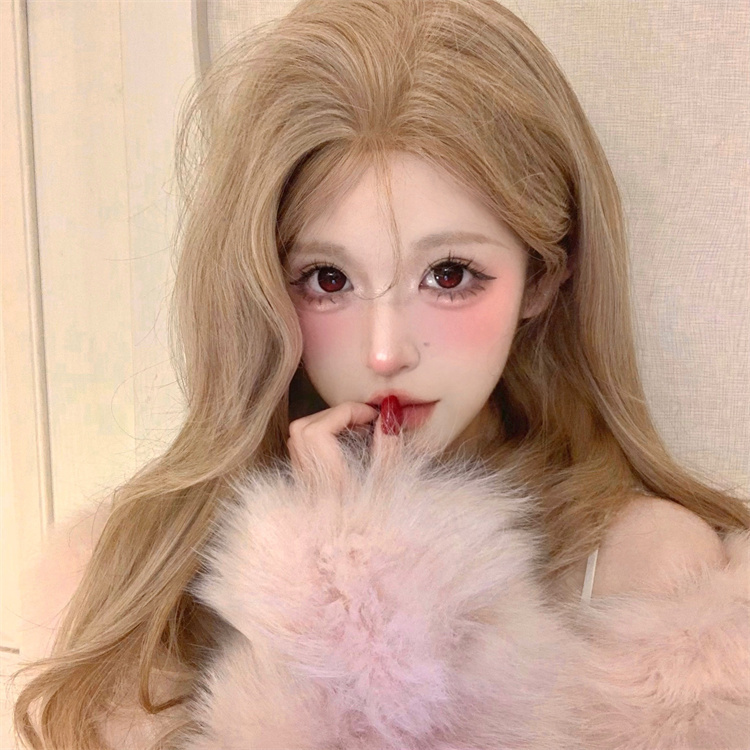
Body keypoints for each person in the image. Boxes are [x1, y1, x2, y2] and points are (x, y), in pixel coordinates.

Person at [12, 0, 750, 747]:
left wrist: (356, 588)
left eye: (450, 274)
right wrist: (320, 572)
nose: (386, 352)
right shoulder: (130, 584)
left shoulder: (652, 588)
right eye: (328, 279)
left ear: (542, 279)